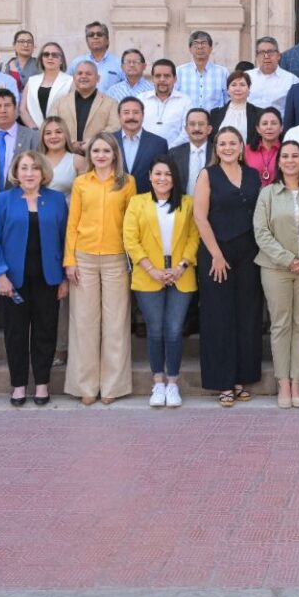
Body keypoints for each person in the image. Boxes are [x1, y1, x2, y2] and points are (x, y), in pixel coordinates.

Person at [62, 132, 137, 404]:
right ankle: (85, 385)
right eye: (96, 151)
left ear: (115, 154)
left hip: (117, 258)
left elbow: (132, 222)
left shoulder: (127, 183)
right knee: (84, 323)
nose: (101, 155)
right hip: (84, 258)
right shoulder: (81, 183)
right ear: (89, 155)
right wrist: (69, 260)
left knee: (116, 323)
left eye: (106, 151)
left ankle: (112, 387)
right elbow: (72, 223)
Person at [194, 126, 264, 407]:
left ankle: (242, 377)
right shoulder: (207, 175)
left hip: (248, 252)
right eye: (222, 143)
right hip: (216, 253)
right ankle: (222, 381)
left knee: (247, 316)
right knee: (218, 317)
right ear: (216, 147)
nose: (227, 147)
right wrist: (216, 254)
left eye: (232, 143)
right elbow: (200, 217)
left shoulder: (252, 175)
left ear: (241, 146)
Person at [122, 156, 197, 408]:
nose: (162, 178)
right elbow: (130, 239)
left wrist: (181, 266)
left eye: (167, 174)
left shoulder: (187, 203)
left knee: (174, 330)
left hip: (181, 274)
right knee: (155, 330)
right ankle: (157, 382)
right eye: (158, 174)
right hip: (148, 274)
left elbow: (193, 238)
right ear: (150, 176)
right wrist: (151, 269)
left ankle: (173, 383)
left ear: (174, 178)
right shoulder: (137, 202)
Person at [254, 141, 299, 409]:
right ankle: (283, 381)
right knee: (281, 324)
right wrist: (287, 259)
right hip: (274, 268)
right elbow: (261, 232)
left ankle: (298, 381)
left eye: (295, 156)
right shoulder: (267, 194)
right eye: (285, 156)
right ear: (278, 162)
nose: (290, 160)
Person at [49, 61, 118, 156]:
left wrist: (92, 141)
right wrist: (71, 142)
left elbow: (114, 128)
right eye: (80, 73)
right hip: (66, 155)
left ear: (98, 78)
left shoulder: (111, 103)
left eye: (88, 74)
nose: (83, 76)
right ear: (74, 78)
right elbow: (52, 126)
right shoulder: (60, 102)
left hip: (97, 157)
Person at [110, 96, 168, 194]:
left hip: (146, 202)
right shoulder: (108, 141)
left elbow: (163, 176)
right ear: (119, 116)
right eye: (126, 112)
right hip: (113, 199)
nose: (131, 117)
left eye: (136, 112)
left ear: (143, 115)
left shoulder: (159, 143)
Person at [138, 59, 195, 146]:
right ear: (152, 79)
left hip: (174, 154)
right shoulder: (141, 99)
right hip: (144, 151)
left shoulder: (185, 101)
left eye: (167, 76)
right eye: (158, 76)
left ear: (175, 79)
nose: (162, 79)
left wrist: (170, 149)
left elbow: (187, 132)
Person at [21, 42, 72, 129]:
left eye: (55, 55)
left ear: (61, 60)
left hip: (61, 133)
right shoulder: (32, 81)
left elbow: (74, 111)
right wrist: (34, 128)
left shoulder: (71, 81)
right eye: (46, 54)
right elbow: (23, 109)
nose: (50, 57)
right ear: (41, 59)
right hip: (35, 133)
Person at [175, 29, 229, 111]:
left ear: (211, 48)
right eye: (195, 44)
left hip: (214, 122)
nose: (200, 47)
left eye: (204, 44)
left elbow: (228, 100)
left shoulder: (222, 72)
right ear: (190, 49)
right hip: (186, 121)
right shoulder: (179, 71)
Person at [168, 108, 216, 197]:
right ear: (186, 129)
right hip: (182, 207)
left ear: (209, 129)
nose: (197, 128)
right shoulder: (174, 154)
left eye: (201, 124)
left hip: (212, 207)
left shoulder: (218, 153)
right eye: (192, 124)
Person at [245, 37, 299, 112]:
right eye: (262, 52)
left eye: (270, 52)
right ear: (257, 56)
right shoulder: (246, 77)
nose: (266, 56)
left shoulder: (292, 80)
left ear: (278, 56)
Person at [210, 69, 265, 142]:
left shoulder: (259, 113)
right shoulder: (215, 113)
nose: (238, 89)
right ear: (228, 90)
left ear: (248, 90)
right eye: (233, 85)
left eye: (242, 85)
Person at [38, 116, 86, 194]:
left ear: (66, 135)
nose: (53, 136)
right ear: (42, 137)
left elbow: (85, 194)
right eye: (48, 133)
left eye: (58, 132)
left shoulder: (78, 161)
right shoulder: (35, 160)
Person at [68, 20, 121, 88]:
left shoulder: (118, 63)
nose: (95, 37)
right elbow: (69, 88)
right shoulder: (76, 63)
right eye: (91, 35)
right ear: (87, 41)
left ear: (107, 40)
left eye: (99, 34)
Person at [245, 107, 285, 187]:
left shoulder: (286, 151)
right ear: (258, 129)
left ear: (281, 128)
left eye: (273, 123)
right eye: (264, 123)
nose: (269, 127)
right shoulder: (246, 151)